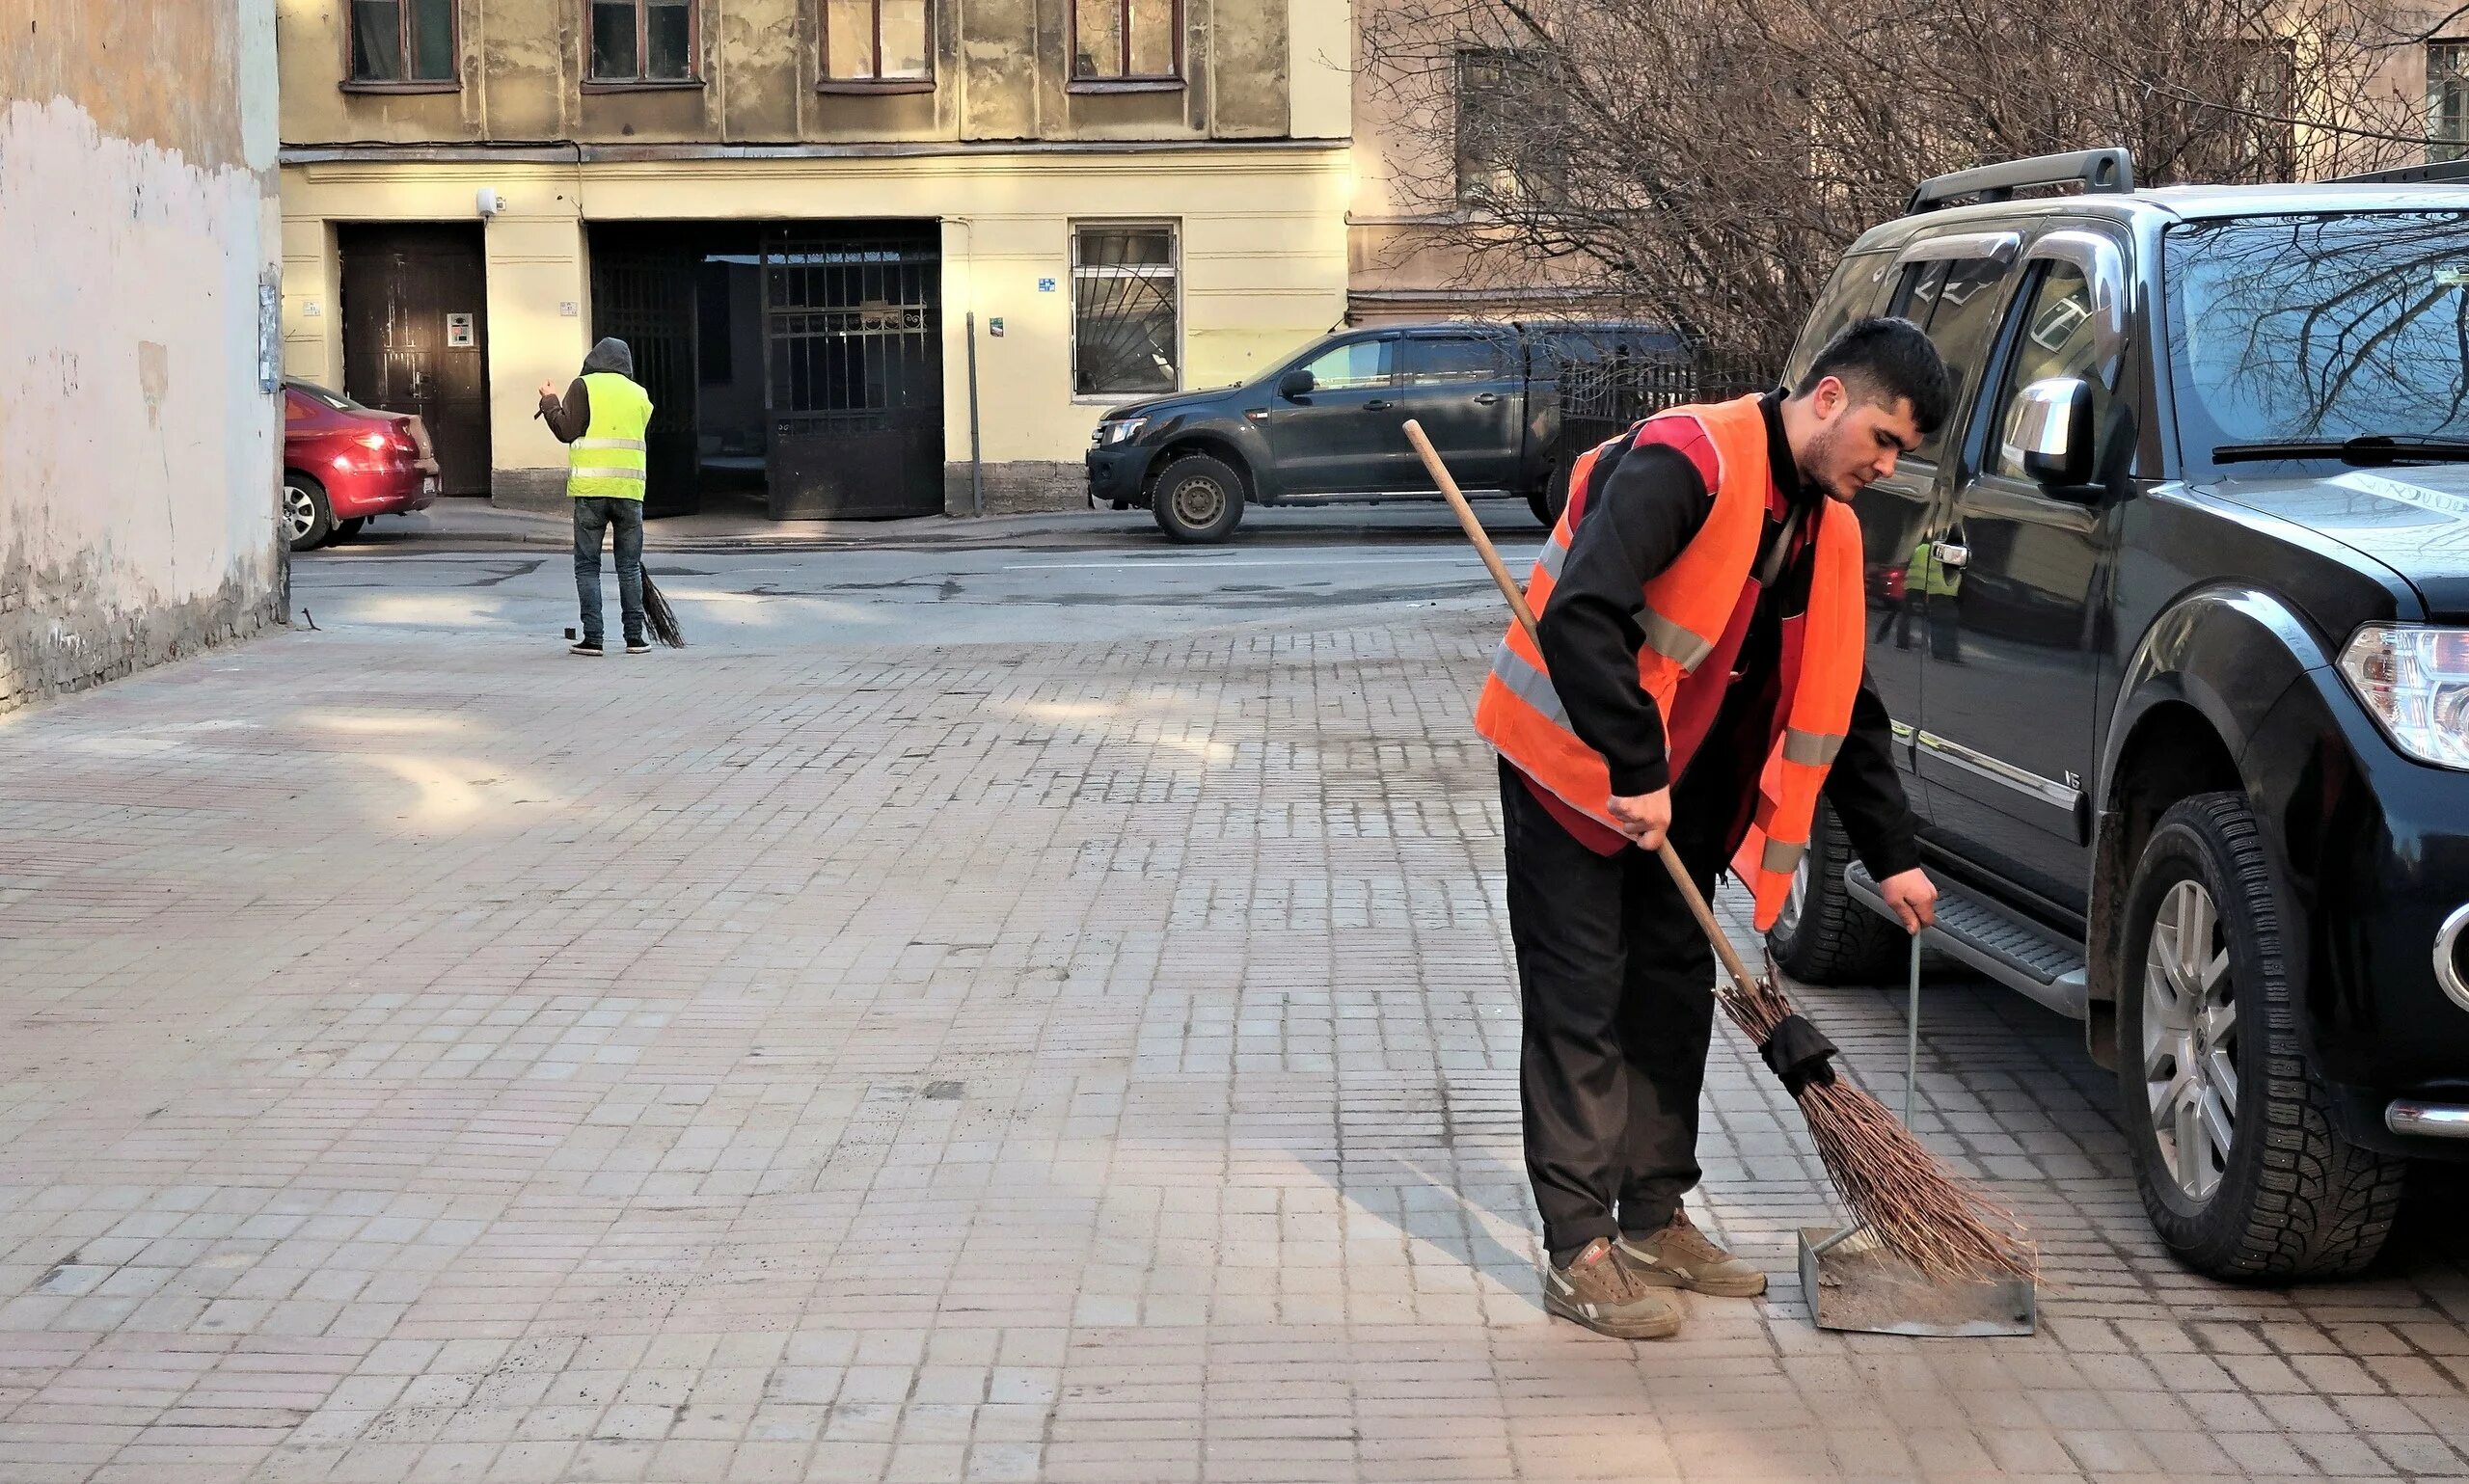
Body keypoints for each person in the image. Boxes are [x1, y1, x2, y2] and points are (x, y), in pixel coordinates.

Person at [1475, 318, 1952, 1340]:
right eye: (1882, 438)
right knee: (1580, 1001)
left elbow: (1845, 699)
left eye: (1901, 453)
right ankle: (1578, 1248)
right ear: (1828, 397)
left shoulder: (1827, 522)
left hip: (1682, 795)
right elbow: (1580, 612)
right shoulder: (1687, 459)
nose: (1884, 464)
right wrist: (1634, 770)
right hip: (1572, 766)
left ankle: (1651, 1216)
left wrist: (1895, 858)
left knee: (1668, 997)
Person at [539, 337, 654, 657]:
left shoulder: (583, 386)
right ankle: (636, 638)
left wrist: (549, 401)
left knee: (587, 566)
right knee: (629, 567)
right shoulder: (640, 394)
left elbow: (566, 430)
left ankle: (594, 638)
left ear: (594, 359)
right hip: (630, 493)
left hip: (591, 493)